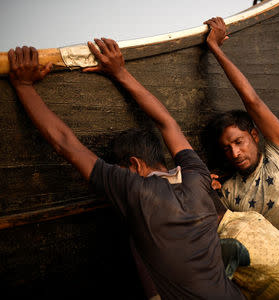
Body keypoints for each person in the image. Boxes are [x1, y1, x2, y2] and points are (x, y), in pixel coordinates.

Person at [8, 41, 244, 299]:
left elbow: (66, 144)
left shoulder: (136, 191)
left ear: (134, 165)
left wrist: (23, 86)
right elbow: (167, 123)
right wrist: (121, 72)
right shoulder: (196, 176)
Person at [204, 17, 279, 262]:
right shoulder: (228, 191)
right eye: (226, 148)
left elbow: (251, 100)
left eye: (238, 142)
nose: (234, 153)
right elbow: (230, 237)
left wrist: (215, 49)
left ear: (254, 135)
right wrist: (208, 193)